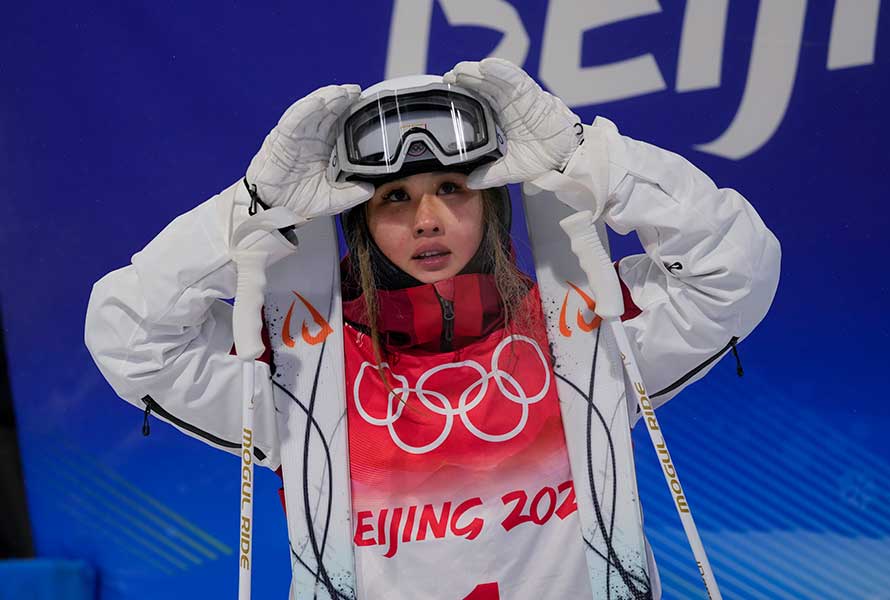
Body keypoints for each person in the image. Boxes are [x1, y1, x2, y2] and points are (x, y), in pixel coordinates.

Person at [85, 59, 780, 599]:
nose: (426, 220)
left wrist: (591, 161)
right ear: (357, 222)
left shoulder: (581, 333)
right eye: (395, 198)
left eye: (451, 188)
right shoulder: (302, 373)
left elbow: (738, 267)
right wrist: (250, 211)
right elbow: (127, 334)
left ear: (493, 203)